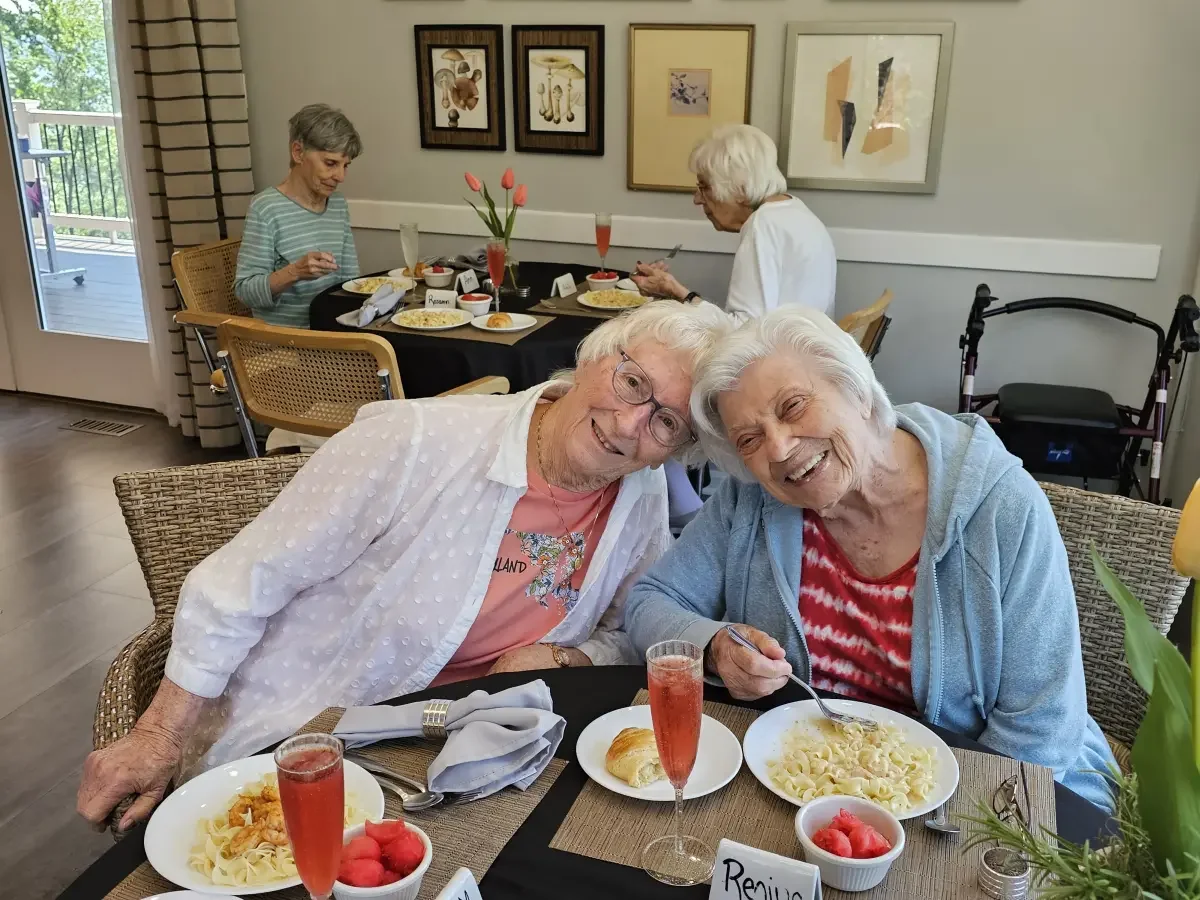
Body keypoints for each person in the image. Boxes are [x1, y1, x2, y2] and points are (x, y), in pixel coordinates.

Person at [77, 300, 730, 832]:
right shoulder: (416, 442)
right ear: (594, 357)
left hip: (483, 756)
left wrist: (569, 659)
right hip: (323, 736)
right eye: (633, 382)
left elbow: (629, 630)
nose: (630, 420)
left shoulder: (638, 497)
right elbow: (243, 580)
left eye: (666, 421)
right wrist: (158, 732)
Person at [625, 307, 1116, 810]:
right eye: (749, 439)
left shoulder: (1000, 508)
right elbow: (649, 602)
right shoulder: (750, 499)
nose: (778, 448)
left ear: (857, 390)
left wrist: (939, 826)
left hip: (977, 795)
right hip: (804, 782)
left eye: (793, 406)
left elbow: (1039, 732)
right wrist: (716, 646)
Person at [631, 125, 836, 324]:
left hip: (781, 356)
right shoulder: (795, 212)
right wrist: (673, 293)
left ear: (740, 188)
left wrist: (678, 293)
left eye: (704, 187)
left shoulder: (764, 224)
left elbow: (743, 332)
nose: (697, 199)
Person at [234, 103, 362, 328]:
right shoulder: (266, 208)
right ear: (298, 152)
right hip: (287, 345)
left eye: (345, 166)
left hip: (333, 335)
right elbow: (245, 292)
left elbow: (350, 282)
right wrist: (295, 272)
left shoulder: (337, 204)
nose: (340, 176)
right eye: (330, 163)